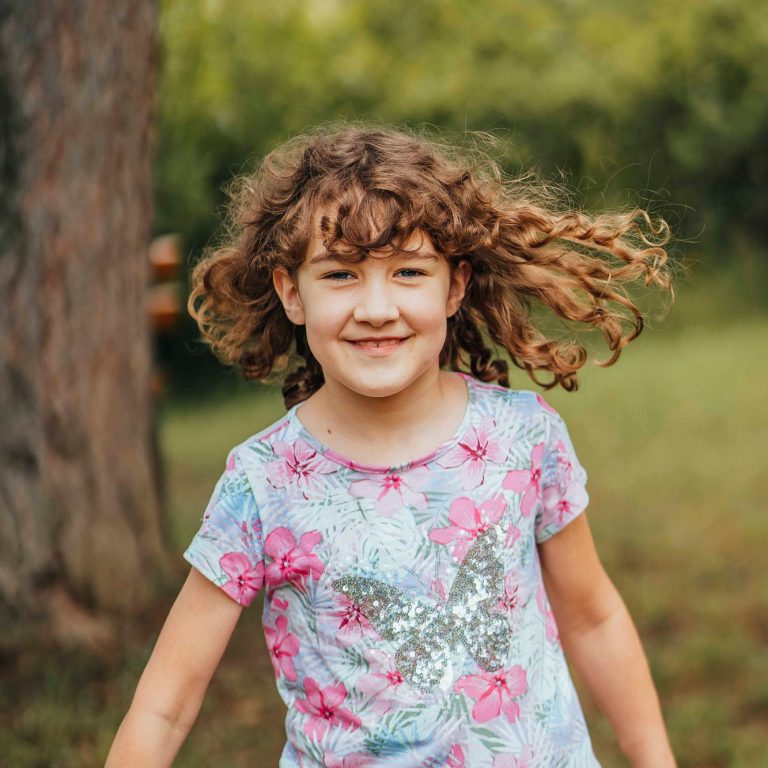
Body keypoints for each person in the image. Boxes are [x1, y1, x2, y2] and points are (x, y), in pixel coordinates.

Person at [106, 126, 677, 767]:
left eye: (408, 271)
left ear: (454, 287)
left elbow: (593, 618)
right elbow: (165, 705)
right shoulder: (262, 484)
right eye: (341, 274)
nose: (377, 308)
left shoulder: (525, 438)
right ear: (293, 292)